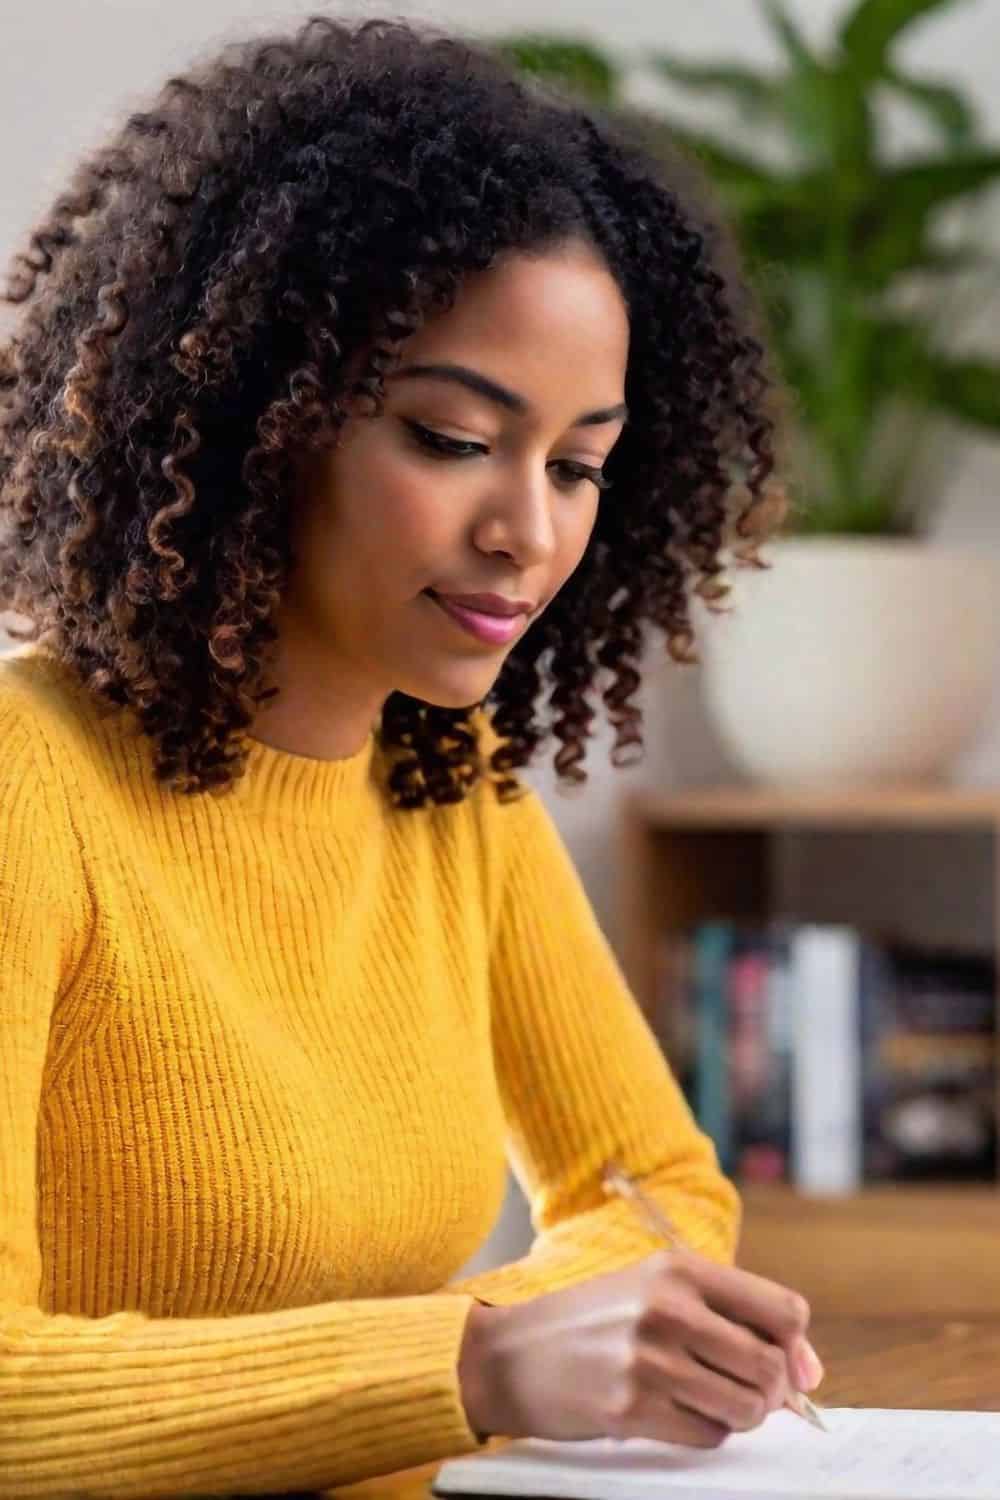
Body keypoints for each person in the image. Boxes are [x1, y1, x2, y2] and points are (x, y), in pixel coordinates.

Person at [0, 15, 821, 1498]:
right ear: (258, 418)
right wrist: (479, 1362)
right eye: (452, 439)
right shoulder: (24, 790)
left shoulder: (451, 784)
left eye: (579, 465)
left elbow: (659, 1189)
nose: (530, 532)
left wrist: (589, 1328)